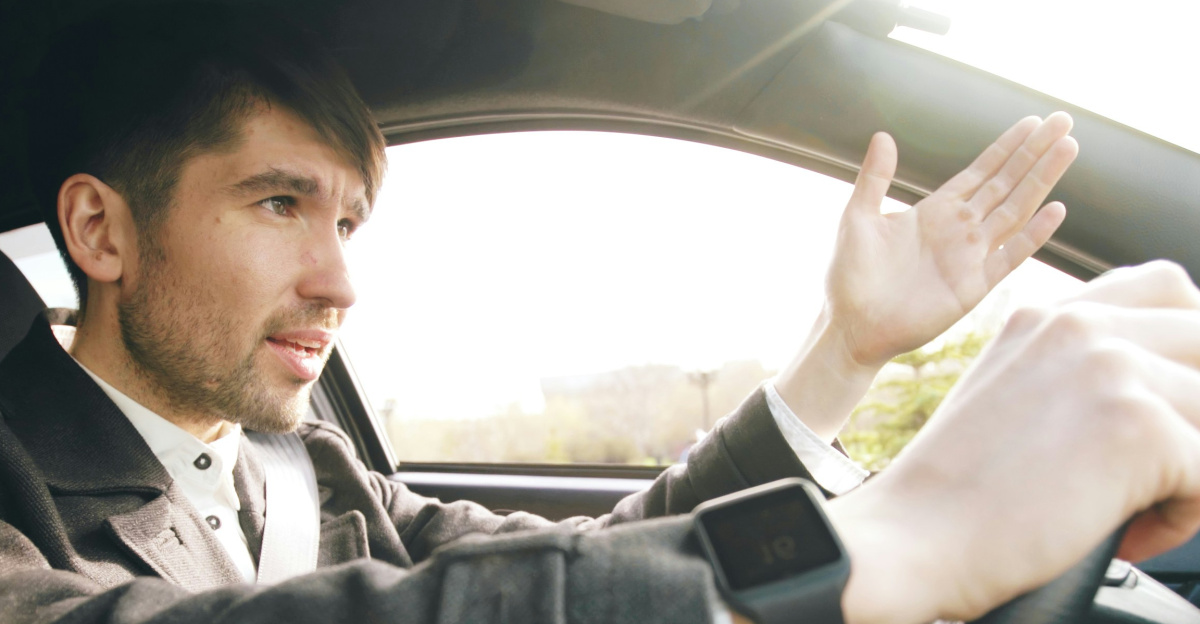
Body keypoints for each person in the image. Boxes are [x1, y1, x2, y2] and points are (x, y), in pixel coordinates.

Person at [4, 4, 1200, 624]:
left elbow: (595, 562)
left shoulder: (307, 468)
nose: (340, 281)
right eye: (279, 204)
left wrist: (846, 352)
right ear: (102, 231)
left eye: (349, 223)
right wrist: (897, 541)